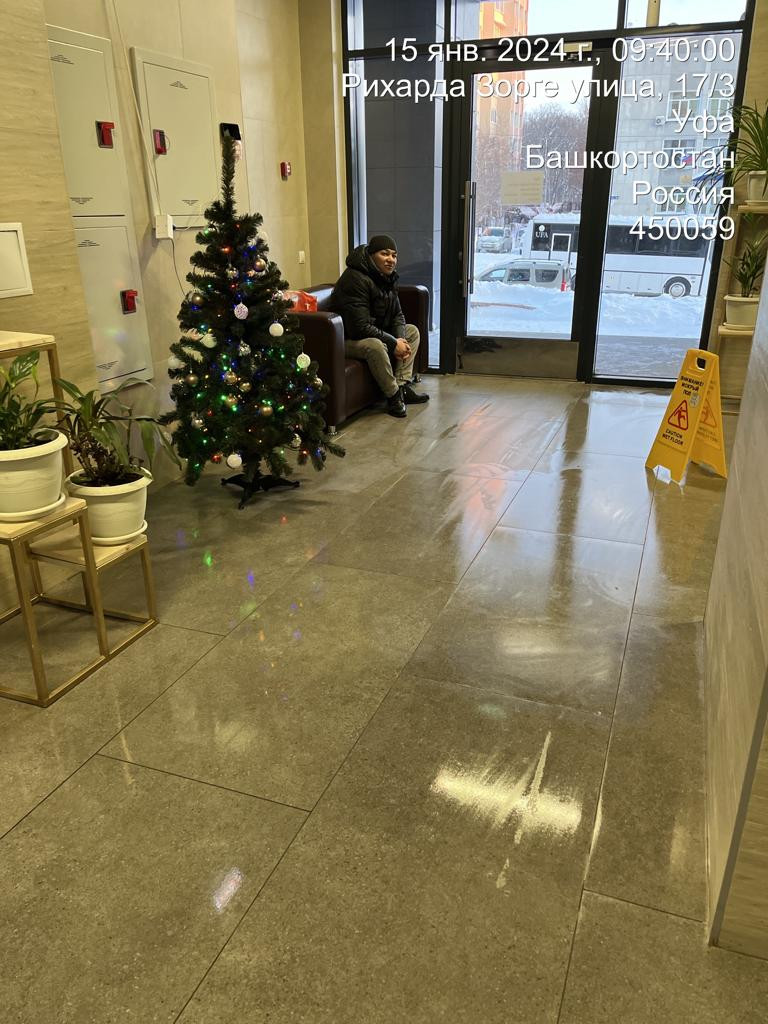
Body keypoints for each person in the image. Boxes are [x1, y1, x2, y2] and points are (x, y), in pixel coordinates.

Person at [328, 234, 429, 418]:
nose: (391, 259)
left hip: (372, 332)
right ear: (371, 255)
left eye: (394, 255)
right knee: (375, 345)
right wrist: (393, 343)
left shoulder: (387, 278)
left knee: (412, 332)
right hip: (346, 339)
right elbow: (359, 327)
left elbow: (397, 315)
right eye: (385, 254)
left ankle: (402, 385)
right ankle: (393, 396)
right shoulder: (354, 278)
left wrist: (400, 339)